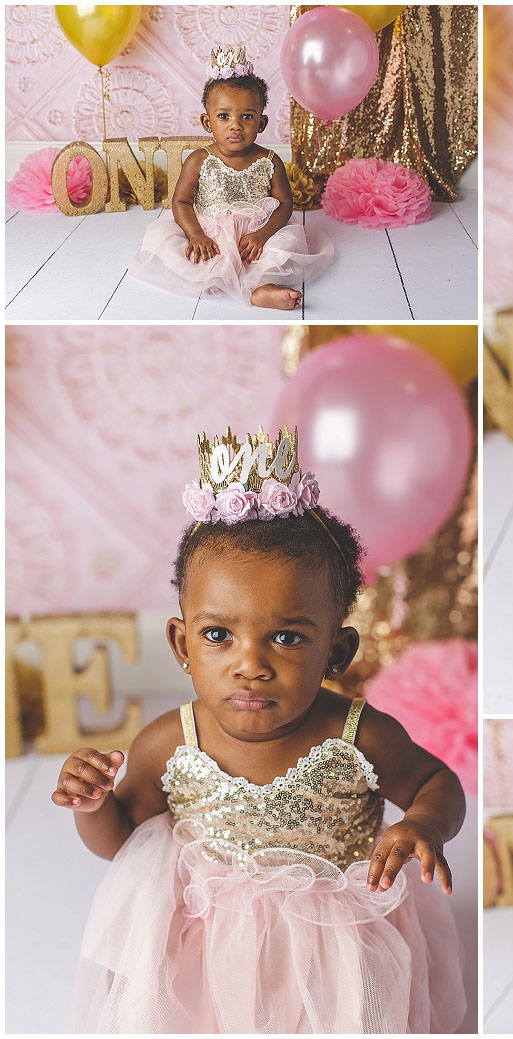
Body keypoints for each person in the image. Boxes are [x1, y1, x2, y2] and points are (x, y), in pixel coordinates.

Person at [54, 426, 466, 1033]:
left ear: (337, 650)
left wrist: (422, 823)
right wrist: (91, 805)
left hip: (337, 939)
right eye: (218, 635)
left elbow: (438, 782)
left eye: (288, 637)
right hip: (206, 940)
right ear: (182, 644)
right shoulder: (171, 741)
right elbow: (122, 841)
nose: (250, 662)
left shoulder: (357, 733)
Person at [129, 45, 333, 309]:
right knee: (169, 244)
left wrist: (263, 233)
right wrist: (195, 234)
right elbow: (180, 202)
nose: (235, 125)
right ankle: (212, 276)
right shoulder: (198, 160)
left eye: (247, 116)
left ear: (261, 123)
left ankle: (262, 288)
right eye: (223, 116)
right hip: (210, 234)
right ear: (207, 122)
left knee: (282, 247)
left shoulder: (269, 161)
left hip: (256, 234)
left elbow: (284, 204)